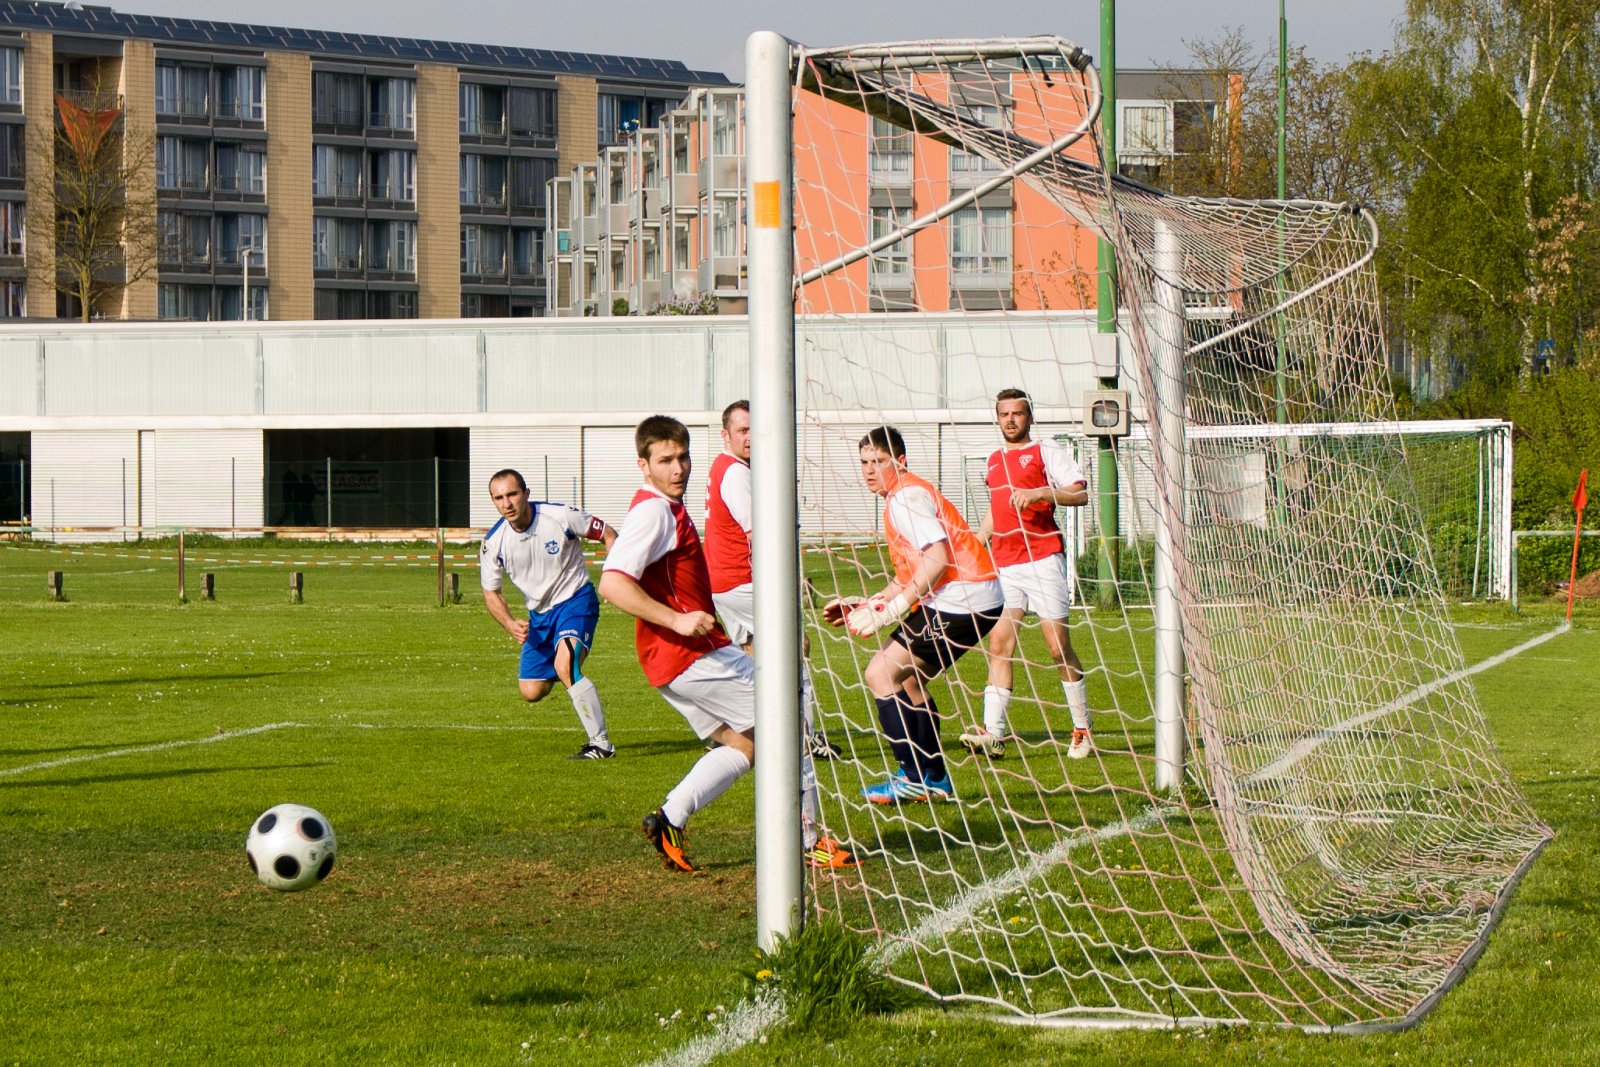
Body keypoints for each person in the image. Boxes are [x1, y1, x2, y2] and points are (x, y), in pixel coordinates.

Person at [599, 415, 855, 873]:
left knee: (746, 745)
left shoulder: (664, 507)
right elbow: (613, 583)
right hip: (691, 655)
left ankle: (669, 818)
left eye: (682, 457)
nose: (678, 468)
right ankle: (809, 841)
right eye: (665, 460)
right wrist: (676, 620)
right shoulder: (654, 512)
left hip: (675, 660)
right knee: (789, 725)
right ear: (643, 465)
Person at [825, 425, 1003, 803]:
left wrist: (893, 610)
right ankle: (934, 778)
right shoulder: (904, 494)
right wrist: (873, 602)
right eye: (864, 462)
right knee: (909, 680)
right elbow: (912, 571)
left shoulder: (904, 498)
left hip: (962, 599)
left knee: (880, 673)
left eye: (878, 461)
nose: (869, 470)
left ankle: (913, 776)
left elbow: (937, 558)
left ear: (900, 461)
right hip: (974, 596)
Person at [959, 389, 1095, 761]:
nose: (1010, 420)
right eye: (1004, 414)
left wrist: (1040, 494)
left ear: (1029, 417)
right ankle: (993, 733)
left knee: (1057, 648)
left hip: (1043, 560)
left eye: (1017, 413)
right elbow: (996, 510)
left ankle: (1082, 728)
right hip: (1005, 565)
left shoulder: (1045, 450)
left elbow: (1080, 494)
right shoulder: (993, 460)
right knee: (999, 644)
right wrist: (977, 542)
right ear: (997, 418)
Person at [704, 399, 839, 761]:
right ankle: (804, 738)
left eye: (754, 429)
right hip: (744, 582)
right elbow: (758, 535)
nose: (750, 437)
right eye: (742, 430)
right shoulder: (736, 474)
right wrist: (787, 579)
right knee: (796, 647)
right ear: (726, 435)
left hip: (725, 583)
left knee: (753, 659)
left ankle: (735, 728)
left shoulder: (723, 466)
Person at [480, 468, 619, 760]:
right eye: (499, 498)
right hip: (539, 617)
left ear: (526, 494)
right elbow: (491, 592)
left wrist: (613, 576)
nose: (507, 503)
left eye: (512, 494)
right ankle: (567, 669)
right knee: (531, 690)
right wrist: (509, 624)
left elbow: (608, 534)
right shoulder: (494, 542)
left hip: (575, 600)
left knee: (566, 665)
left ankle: (601, 744)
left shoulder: (560, 517)